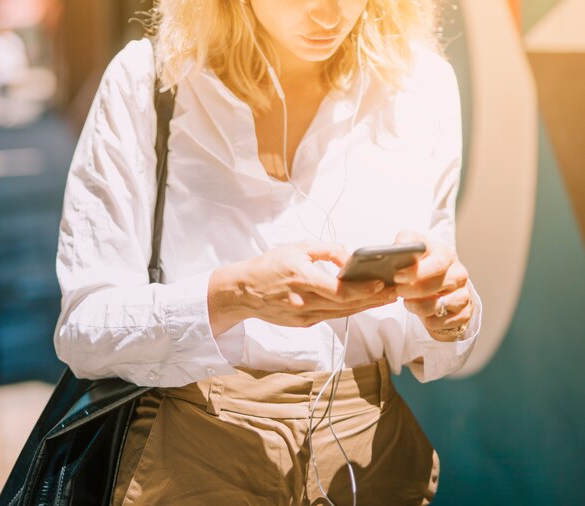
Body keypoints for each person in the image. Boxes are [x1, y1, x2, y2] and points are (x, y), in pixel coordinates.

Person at [53, 0, 482, 504]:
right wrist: (236, 294)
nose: (328, 12)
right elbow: (84, 330)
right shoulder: (151, 80)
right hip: (195, 452)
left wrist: (450, 310)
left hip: (372, 458)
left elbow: (434, 338)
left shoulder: (420, 86)